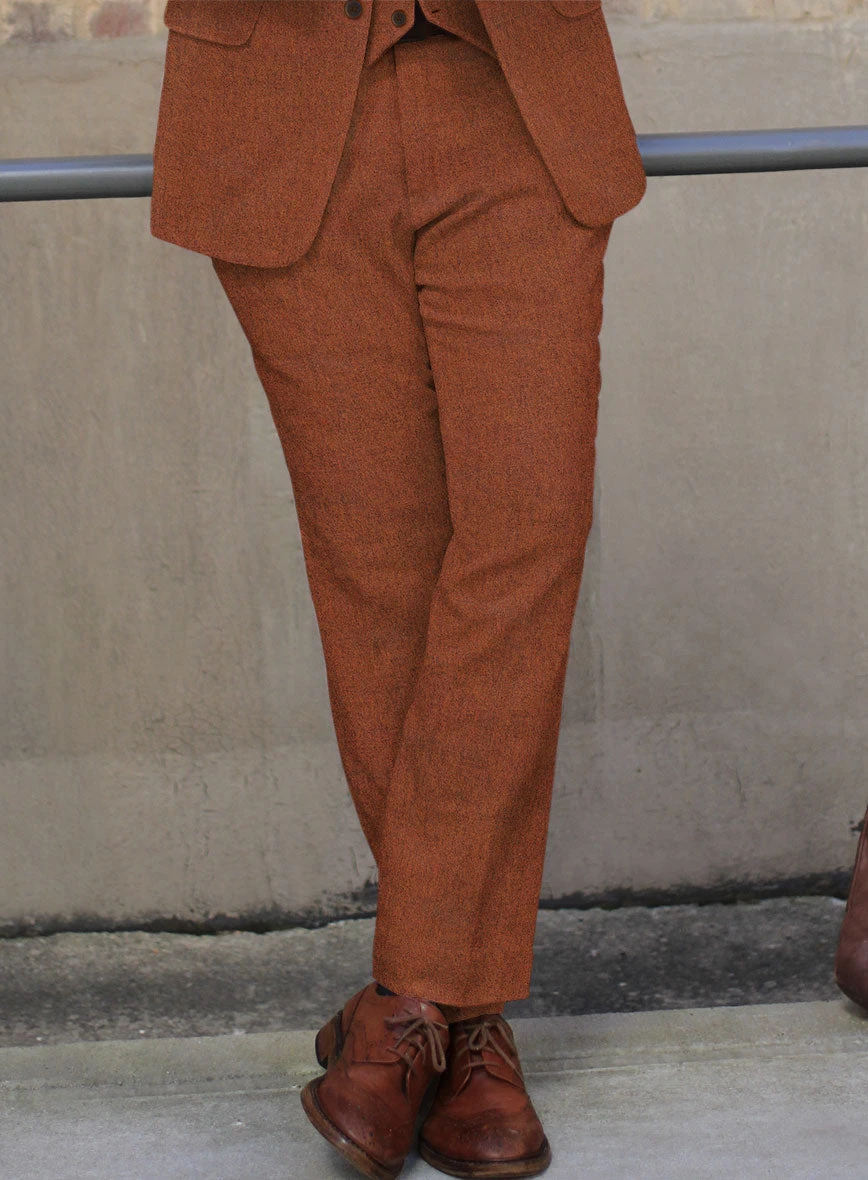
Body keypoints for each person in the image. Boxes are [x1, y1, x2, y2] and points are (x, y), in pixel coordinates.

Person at [150, 2, 647, 1175]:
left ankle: (407, 1001)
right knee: (376, 566)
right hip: (280, 99)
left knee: (529, 525)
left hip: (516, 88)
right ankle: (464, 1033)